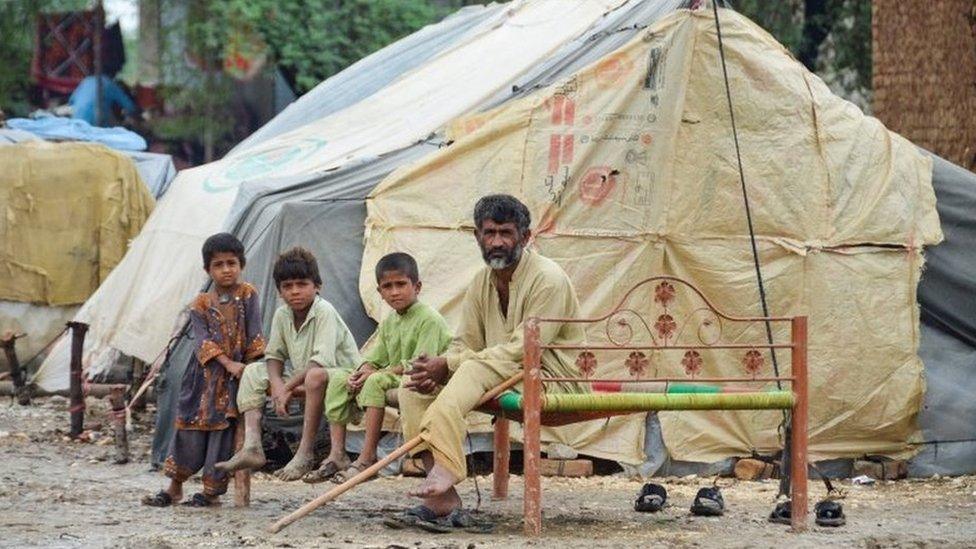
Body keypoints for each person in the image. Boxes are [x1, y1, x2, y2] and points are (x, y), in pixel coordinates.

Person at [392, 194, 586, 526]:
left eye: (506, 233)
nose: (497, 242)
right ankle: (443, 500)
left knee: (469, 366)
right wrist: (440, 364)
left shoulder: (547, 279)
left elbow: (522, 350)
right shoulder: (482, 280)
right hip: (498, 371)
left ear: (524, 237)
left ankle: (450, 465)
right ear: (477, 236)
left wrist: (451, 366)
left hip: (552, 377)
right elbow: (465, 341)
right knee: (413, 388)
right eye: (490, 233)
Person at [302, 252, 452, 484]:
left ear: (417, 286)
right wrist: (361, 372)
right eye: (387, 287)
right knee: (340, 377)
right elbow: (376, 357)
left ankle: (367, 456)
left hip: (425, 381)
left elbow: (421, 365)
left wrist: (375, 374)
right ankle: (337, 454)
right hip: (396, 376)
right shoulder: (391, 321)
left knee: (375, 381)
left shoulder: (428, 319)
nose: (394, 292)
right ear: (380, 293)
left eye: (401, 284)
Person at [215, 247, 361, 481]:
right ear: (280, 291)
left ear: (317, 286)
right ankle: (252, 446)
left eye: (302, 284)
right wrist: (278, 385)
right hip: (306, 375)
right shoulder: (283, 314)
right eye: (287, 286)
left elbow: (319, 362)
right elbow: (274, 355)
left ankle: (305, 452)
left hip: (340, 375)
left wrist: (286, 388)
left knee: (314, 376)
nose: (295, 292)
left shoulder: (324, 310)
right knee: (253, 371)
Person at [142, 233, 265, 507]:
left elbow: (255, 334)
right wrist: (228, 363)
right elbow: (203, 342)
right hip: (202, 378)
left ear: (241, 264)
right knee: (189, 428)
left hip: (235, 379)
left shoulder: (248, 294)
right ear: (207, 270)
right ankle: (174, 487)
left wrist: (250, 368)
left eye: (231, 263)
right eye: (218, 265)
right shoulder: (200, 303)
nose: (226, 270)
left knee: (222, 434)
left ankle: (211, 493)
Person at [68, 75, 139, 126]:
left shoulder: (86, 81)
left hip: (77, 122)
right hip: (97, 123)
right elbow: (130, 107)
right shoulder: (111, 85)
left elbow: (71, 101)